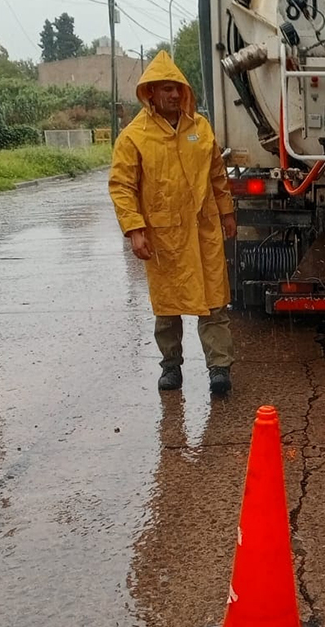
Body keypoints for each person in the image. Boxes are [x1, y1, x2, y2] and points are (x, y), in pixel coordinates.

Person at [109, 51, 238, 395]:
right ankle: (171, 366)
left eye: (178, 88)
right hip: (164, 237)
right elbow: (122, 186)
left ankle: (219, 369)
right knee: (168, 308)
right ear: (150, 92)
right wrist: (135, 230)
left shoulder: (201, 128)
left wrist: (226, 212)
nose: (174, 95)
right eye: (166, 89)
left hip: (204, 231)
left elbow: (216, 174)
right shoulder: (134, 136)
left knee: (215, 304)